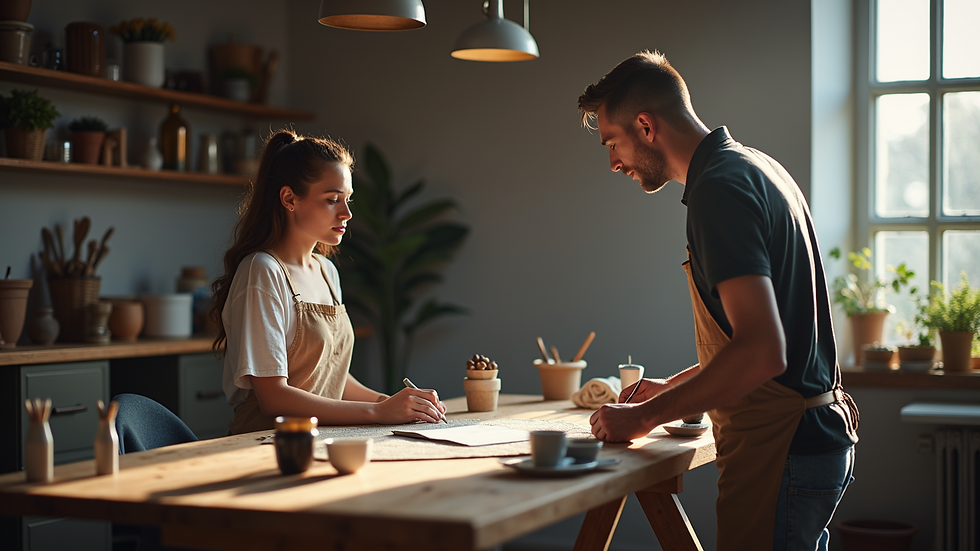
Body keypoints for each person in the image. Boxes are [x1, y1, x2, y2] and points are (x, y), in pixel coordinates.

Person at [578, 51, 859, 551]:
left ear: (645, 126)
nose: (614, 162)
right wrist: (672, 387)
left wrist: (644, 417)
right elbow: (766, 339)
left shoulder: (719, 191)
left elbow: (762, 352)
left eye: (612, 143)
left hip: (782, 448)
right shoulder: (756, 167)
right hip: (811, 438)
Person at [209, 130, 446, 435]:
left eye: (347, 199)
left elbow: (333, 376)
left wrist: (396, 403)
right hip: (266, 442)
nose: (346, 213)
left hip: (323, 436)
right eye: (333, 200)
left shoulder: (326, 271)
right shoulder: (263, 271)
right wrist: (378, 412)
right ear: (289, 199)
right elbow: (273, 398)